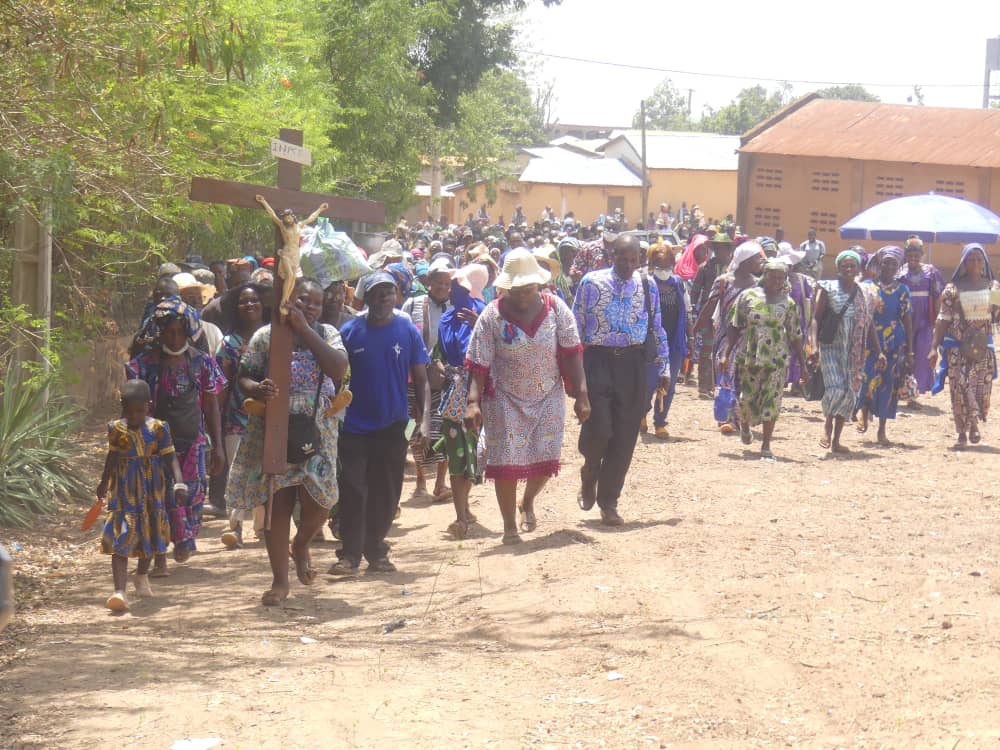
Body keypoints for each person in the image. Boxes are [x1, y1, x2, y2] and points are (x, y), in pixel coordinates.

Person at [227, 278, 349, 605]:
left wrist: (304, 329)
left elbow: (338, 369)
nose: (310, 307)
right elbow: (243, 375)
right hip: (276, 425)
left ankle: (302, 543)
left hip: (317, 428)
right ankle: (280, 580)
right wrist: (256, 388)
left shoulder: (327, 334)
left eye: (316, 303)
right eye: (304, 300)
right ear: (289, 299)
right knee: (277, 502)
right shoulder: (267, 336)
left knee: (322, 499)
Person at [466, 250, 588, 542]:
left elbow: (572, 353)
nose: (522, 293)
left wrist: (582, 394)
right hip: (504, 398)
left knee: (548, 454)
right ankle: (509, 526)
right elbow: (478, 362)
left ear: (538, 283)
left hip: (548, 394)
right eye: (517, 288)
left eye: (529, 287)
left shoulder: (557, 309)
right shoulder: (491, 315)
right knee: (505, 462)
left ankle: (528, 500)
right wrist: (473, 402)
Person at [330, 272, 431, 575]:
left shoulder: (407, 329)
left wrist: (424, 421)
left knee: (386, 492)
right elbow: (335, 377)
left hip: (393, 425)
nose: (384, 297)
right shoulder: (350, 331)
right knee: (353, 490)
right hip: (353, 427)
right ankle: (349, 555)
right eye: (377, 292)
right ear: (366, 297)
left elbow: (422, 380)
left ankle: (376, 551)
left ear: (397, 295)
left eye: (389, 291)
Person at [573, 235, 668, 526]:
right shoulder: (591, 282)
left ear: (640, 260)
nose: (628, 265)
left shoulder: (648, 285)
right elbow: (575, 325)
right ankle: (590, 470)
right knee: (599, 429)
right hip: (597, 361)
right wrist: (571, 370)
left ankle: (609, 501)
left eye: (633, 260)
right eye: (622, 259)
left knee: (625, 436)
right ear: (611, 256)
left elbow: (657, 326)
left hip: (633, 364)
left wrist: (664, 368)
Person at [125, 297, 225, 572]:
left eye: (180, 332)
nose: (174, 338)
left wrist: (218, 446)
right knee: (159, 498)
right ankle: (163, 553)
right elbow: (131, 407)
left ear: (189, 332)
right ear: (159, 332)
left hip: (193, 443)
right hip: (153, 445)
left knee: (191, 495)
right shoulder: (143, 365)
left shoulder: (202, 363)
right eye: (169, 332)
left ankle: (181, 538)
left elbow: (211, 405)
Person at [96, 380, 185, 611]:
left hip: (152, 490)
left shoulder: (158, 428)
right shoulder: (116, 429)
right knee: (122, 536)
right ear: (123, 407)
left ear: (148, 406)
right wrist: (104, 483)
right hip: (124, 493)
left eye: (140, 410)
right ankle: (119, 591)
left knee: (151, 533)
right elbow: (112, 457)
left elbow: (171, 457)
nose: (135, 416)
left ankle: (142, 575)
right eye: (130, 411)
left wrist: (179, 482)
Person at [723, 259, 808, 459]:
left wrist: (803, 365)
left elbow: (795, 335)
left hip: (776, 359)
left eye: (781, 278)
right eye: (773, 277)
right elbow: (734, 325)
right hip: (750, 356)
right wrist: (726, 353)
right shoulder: (748, 297)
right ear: (764, 276)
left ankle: (766, 446)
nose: (777, 281)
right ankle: (745, 426)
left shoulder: (788, 304)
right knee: (746, 399)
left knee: (772, 400)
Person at [435, 263, 489, 539]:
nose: (453, 289)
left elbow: (499, 351)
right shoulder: (447, 318)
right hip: (454, 393)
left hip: (483, 395)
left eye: (459, 286)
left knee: (474, 453)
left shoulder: (486, 315)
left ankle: (464, 506)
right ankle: (460, 516)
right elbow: (437, 354)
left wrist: (479, 325)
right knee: (457, 451)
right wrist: (442, 368)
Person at [929, 243, 1000, 447]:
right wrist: (934, 348)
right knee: (959, 387)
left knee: (980, 390)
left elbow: (997, 314)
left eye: (979, 259)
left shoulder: (993, 287)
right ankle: (964, 430)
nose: (975, 263)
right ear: (964, 263)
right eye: (971, 259)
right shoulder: (952, 289)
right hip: (957, 347)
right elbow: (942, 319)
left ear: (984, 262)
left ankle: (974, 421)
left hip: (982, 349)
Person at [692, 240, 765, 434]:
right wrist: (695, 329)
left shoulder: (759, 285)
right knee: (727, 375)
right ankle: (727, 418)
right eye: (757, 258)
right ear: (746, 260)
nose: (760, 262)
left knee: (745, 378)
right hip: (726, 338)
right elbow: (709, 306)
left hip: (750, 339)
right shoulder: (723, 281)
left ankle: (740, 417)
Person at [216, 283, 268, 549]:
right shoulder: (228, 344)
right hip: (236, 419)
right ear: (236, 308)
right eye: (244, 301)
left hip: (268, 419)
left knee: (265, 472)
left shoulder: (273, 338)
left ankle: (263, 527)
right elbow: (221, 385)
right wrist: (217, 422)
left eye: (254, 299)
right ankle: (235, 528)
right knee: (238, 473)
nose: (250, 304)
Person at [812, 249, 878, 454]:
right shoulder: (828, 287)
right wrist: (812, 345)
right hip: (831, 347)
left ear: (858, 268)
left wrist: (879, 351)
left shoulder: (866, 292)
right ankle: (827, 426)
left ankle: (837, 441)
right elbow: (815, 318)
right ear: (838, 268)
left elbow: (869, 323)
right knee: (835, 389)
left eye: (852, 266)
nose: (848, 269)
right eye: (844, 266)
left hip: (855, 351)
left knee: (849, 392)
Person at [401, 258, 454, 501]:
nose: (443, 287)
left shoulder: (454, 307)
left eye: (447, 283)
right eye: (438, 282)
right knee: (415, 428)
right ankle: (421, 478)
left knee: (443, 427)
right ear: (429, 282)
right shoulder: (412, 304)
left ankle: (440, 482)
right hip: (414, 377)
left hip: (444, 378)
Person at [856, 246, 913, 446]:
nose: (889, 266)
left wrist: (910, 350)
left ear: (898, 266)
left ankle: (882, 429)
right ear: (879, 264)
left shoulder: (903, 290)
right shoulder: (868, 286)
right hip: (870, 342)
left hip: (894, 344)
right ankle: (864, 412)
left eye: (893, 263)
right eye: (886, 262)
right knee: (867, 378)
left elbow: (907, 320)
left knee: (888, 385)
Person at [644, 245, 688, 438]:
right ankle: (642, 413)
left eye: (667, 266)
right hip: (650, 343)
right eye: (659, 267)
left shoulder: (678, 284)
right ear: (651, 265)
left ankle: (660, 422)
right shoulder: (645, 284)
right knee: (648, 382)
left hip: (674, 342)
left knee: (668, 384)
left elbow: (687, 311)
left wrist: (690, 337)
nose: (664, 270)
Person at [897, 236, 944, 398]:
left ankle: (916, 391)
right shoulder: (900, 272)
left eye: (916, 255)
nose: (913, 258)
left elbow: (937, 296)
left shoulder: (931, 272)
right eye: (910, 255)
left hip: (924, 318)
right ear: (906, 255)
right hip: (906, 318)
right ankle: (903, 390)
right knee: (905, 353)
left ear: (922, 255)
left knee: (923, 352)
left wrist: (937, 319)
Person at [689, 234, 734, 397]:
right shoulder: (705, 268)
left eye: (723, 248)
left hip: (728, 315)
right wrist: (693, 312)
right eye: (717, 248)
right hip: (707, 314)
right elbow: (695, 291)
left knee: (726, 350)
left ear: (729, 249)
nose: (719, 251)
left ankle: (721, 385)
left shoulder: (734, 269)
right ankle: (704, 385)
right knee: (707, 349)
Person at [777, 242, 815, 392]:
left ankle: (796, 383)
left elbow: (809, 299)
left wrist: (809, 321)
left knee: (797, 352)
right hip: (779, 321)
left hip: (798, 322)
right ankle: (780, 381)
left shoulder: (801, 280)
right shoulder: (774, 278)